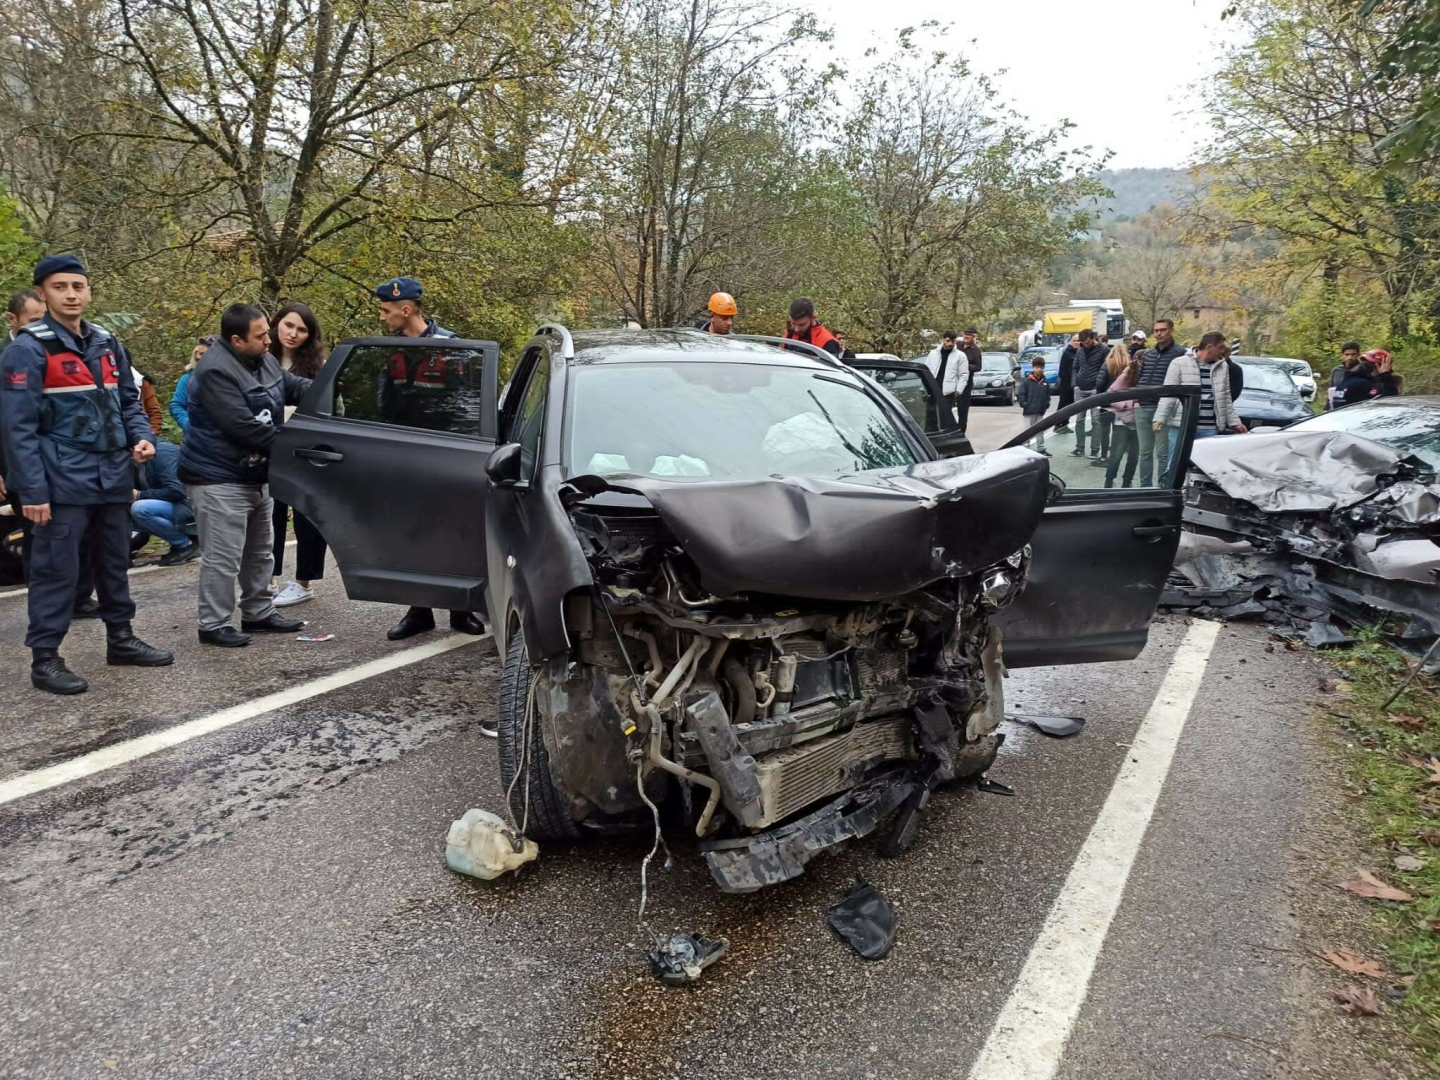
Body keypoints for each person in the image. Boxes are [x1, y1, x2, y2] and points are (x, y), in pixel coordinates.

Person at [0, 254, 172, 694]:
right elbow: (17, 429)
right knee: (55, 570)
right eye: (60, 287)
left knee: (114, 562)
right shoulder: (27, 349)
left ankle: (121, 639)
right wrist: (32, 491)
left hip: (113, 475)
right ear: (43, 294)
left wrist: (142, 437)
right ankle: (45, 659)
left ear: (89, 292)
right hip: (60, 482)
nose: (71, 295)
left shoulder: (107, 342)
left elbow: (129, 402)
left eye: (78, 286)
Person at [179, 304, 311, 647]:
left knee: (260, 552)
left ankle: (258, 612)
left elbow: (293, 386)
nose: (269, 340)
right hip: (217, 476)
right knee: (223, 558)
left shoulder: (264, 359)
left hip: (255, 473)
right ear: (237, 340)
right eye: (261, 335)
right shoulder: (214, 370)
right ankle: (214, 624)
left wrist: (331, 387)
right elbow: (243, 427)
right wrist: (297, 447)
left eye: (268, 332)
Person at [375, 277, 486, 642]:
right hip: (406, 456)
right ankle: (418, 610)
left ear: (406, 310)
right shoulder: (388, 350)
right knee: (412, 531)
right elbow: (383, 402)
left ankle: (459, 608)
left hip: (446, 454)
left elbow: (469, 401)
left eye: (386, 311)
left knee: (453, 531)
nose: (382, 317)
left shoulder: (451, 346)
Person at [267, 303, 329, 608]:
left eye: (301, 329)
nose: (293, 333)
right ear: (276, 323)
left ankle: (304, 582)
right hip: (268, 447)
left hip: (305, 450)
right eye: (288, 325)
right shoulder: (260, 360)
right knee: (269, 516)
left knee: (308, 516)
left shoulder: (319, 366)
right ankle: (267, 578)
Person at [1152, 332, 1246, 467]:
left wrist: (1235, 422)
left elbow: (1225, 398)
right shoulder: (1179, 363)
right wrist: (1160, 418)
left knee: (1204, 467)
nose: (1223, 351)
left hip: (1209, 428)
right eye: (1220, 347)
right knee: (1175, 466)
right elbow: (1169, 393)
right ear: (1209, 347)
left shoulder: (1223, 366)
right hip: (1182, 426)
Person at [1133, 318, 1188, 486]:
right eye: (1156, 330)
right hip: (1143, 407)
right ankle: (1145, 488)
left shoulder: (1181, 354)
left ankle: (1162, 488)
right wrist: (1136, 399)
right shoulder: (1148, 354)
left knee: (1162, 454)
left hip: (1163, 408)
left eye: (1163, 330)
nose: (1159, 333)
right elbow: (1140, 377)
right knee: (1144, 452)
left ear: (1171, 330)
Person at [130, 435, 198, 565]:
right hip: (178, 506)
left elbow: (177, 491)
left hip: (193, 505)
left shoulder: (163, 453)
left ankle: (186, 545)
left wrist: (139, 495)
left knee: (140, 509)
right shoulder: (135, 459)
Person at [1064, 329, 1109, 458]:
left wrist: (1099, 385)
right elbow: (1075, 367)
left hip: (1095, 389)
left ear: (1093, 338)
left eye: (1088, 342)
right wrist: (1075, 385)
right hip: (1080, 389)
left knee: (1096, 420)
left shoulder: (1104, 350)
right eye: (1083, 343)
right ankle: (1079, 448)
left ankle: (1095, 449)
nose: (1086, 345)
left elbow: (1106, 368)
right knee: (1079, 420)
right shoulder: (1080, 350)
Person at [1104, 350, 1142, 489]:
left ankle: (1127, 481)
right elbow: (1110, 394)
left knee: (1134, 456)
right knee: (1116, 455)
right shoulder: (1126, 375)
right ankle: (1108, 482)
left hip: (1140, 422)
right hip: (1122, 422)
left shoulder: (1149, 377)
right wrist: (1125, 405)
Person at [170, 337, 212, 432]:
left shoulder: (228, 378)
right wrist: (189, 426)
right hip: (198, 436)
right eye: (201, 354)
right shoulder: (187, 379)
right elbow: (177, 405)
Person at [924, 330, 968, 413]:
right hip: (932, 390)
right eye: (948, 341)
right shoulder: (933, 354)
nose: (950, 343)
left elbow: (964, 375)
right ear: (943, 339)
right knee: (930, 416)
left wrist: (958, 391)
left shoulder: (960, 356)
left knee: (944, 417)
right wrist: (924, 387)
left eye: (953, 341)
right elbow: (926, 371)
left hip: (948, 393)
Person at [1015, 356, 1051, 455]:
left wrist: (1046, 404)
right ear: (1033, 368)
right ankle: (1026, 448)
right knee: (1027, 430)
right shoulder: (1027, 381)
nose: (1039, 369)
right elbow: (1021, 394)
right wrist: (1025, 404)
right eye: (1037, 367)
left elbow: (1048, 395)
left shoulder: (1045, 382)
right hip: (1029, 410)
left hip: (1040, 411)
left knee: (1040, 430)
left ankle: (1041, 448)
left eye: (1041, 367)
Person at [954, 328, 983, 431]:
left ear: (974, 337)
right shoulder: (957, 345)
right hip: (952, 379)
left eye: (969, 335)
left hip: (966, 382)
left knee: (962, 408)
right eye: (965, 334)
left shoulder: (976, 350)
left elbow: (978, 367)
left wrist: (965, 366)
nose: (966, 336)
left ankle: (961, 431)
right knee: (946, 405)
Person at [1328, 342, 1361, 410]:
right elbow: (1332, 390)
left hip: (1357, 406)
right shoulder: (1337, 370)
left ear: (1358, 355)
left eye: (1353, 354)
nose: (1350, 357)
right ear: (1342, 355)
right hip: (1339, 407)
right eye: (1347, 354)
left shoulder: (1363, 370)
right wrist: (1327, 408)